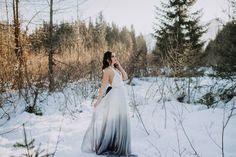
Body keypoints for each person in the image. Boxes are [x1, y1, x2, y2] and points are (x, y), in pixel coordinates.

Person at [81, 51, 132, 156]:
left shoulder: (114, 69)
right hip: (116, 97)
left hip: (121, 97)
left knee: (122, 121)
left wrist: (119, 66)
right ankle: (112, 145)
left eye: (115, 55)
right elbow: (103, 87)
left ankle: (119, 145)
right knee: (115, 121)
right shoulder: (107, 71)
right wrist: (98, 100)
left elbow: (125, 77)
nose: (115, 57)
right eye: (113, 56)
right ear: (108, 59)